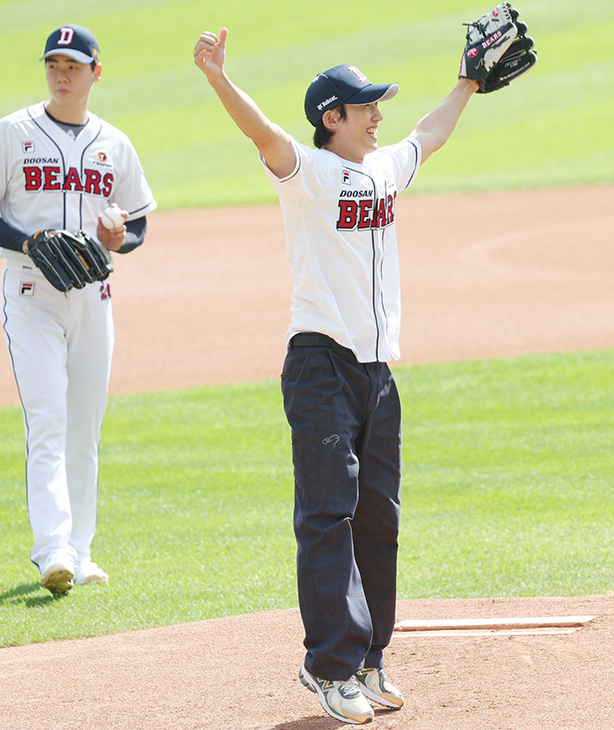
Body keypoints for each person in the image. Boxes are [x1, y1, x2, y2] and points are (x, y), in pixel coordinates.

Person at [193, 17, 522, 724]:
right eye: (365, 105)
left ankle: (369, 658)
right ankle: (328, 666)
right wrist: (220, 78)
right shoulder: (307, 174)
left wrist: (467, 81)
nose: (378, 115)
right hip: (319, 366)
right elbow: (263, 136)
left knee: (377, 518)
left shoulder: (381, 169)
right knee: (327, 516)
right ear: (329, 118)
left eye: (378, 104)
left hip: (377, 375)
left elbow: (427, 136)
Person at [0, 24, 157, 595]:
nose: (62, 73)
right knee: (48, 418)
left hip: (94, 295)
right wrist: (27, 242)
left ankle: (81, 549)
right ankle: (52, 551)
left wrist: (118, 235)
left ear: (97, 72)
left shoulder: (113, 143)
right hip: (30, 294)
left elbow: (139, 225)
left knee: (85, 427)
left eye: (74, 65)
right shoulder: (12, 131)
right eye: (54, 62)